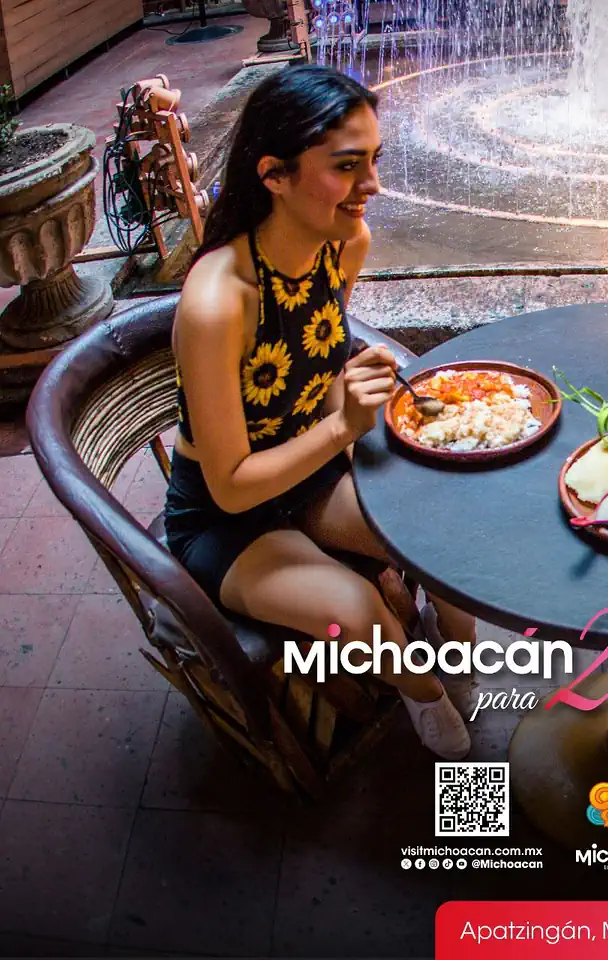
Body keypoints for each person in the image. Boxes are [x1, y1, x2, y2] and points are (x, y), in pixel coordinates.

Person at [165, 64, 476, 761]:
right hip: (225, 520)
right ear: (274, 174)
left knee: (440, 537)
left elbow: (322, 353)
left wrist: (349, 382)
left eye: (374, 161)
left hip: (310, 478)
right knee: (356, 610)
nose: (372, 185)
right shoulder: (219, 300)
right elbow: (231, 483)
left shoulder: (343, 245)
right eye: (347, 166)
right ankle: (425, 700)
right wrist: (342, 426)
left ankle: (459, 662)